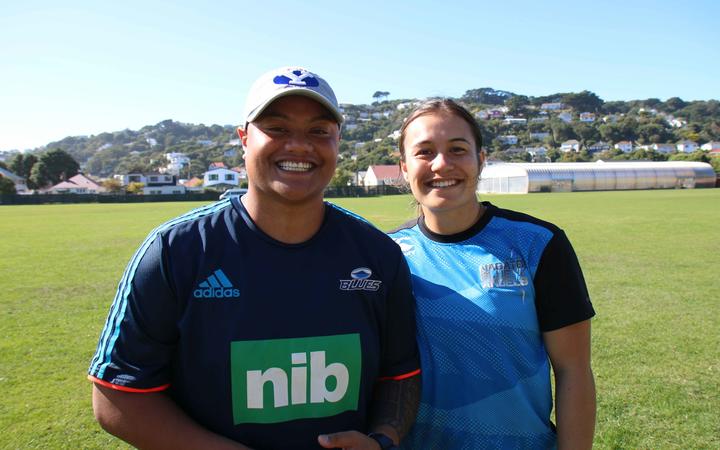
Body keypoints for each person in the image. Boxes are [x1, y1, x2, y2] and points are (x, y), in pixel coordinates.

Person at [88, 66, 420, 450]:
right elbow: (118, 395)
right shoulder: (175, 250)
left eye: (319, 131)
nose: (298, 145)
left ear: (338, 142)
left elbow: (400, 373)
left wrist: (381, 439)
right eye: (277, 128)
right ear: (244, 139)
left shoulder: (377, 253)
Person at [388, 99, 596, 449]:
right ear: (404, 168)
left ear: (480, 159)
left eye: (458, 149)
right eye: (424, 152)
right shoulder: (387, 254)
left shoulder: (538, 243)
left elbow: (573, 369)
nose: (442, 164)